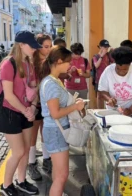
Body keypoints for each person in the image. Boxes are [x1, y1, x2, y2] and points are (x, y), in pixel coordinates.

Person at [0, 31, 41, 196]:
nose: (35, 50)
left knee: (27, 148)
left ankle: (21, 181)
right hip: (10, 113)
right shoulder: (8, 64)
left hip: (26, 111)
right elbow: (8, 96)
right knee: (19, 151)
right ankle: (6, 186)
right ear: (21, 45)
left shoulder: (29, 64)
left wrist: (34, 107)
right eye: (32, 46)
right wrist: (26, 110)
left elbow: (34, 88)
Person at [40, 46, 85, 196]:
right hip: (56, 131)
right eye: (68, 62)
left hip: (56, 130)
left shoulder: (54, 80)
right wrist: (75, 106)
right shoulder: (51, 84)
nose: (70, 66)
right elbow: (55, 113)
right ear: (59, 61)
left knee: (58, 173)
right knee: (62, 175)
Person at [97, 46, 132, 120]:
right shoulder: (108, 71)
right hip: (112, 112)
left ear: (130, 64)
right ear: (115, 63)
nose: (121, 72)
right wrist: (109, 99)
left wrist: (130, 110)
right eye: (118, 69)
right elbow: (102, 91)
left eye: (125, 69)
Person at [28, 34, 52, 181]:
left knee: (46, 130)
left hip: (47, 102)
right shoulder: (32, 63)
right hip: (35, 103)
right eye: (46, 46)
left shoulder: (49, 61)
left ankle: (47, 159)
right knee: (33, 133)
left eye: (50, 46)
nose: (49, 49)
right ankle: (31, 163)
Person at [93, 39, 114, 108]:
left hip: (108, 78)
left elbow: (114, 62)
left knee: (108, 95)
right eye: (105, 47)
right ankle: (100, 110)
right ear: (100, 47)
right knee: (99, 96)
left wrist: (113, 53)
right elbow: (96, 65)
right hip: (99, 79)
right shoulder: (96, 56)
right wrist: (102, 55)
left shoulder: (108, 55)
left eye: (107, 47)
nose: (106, 49)